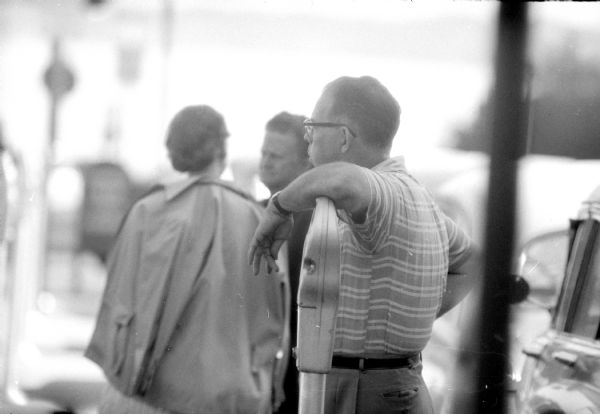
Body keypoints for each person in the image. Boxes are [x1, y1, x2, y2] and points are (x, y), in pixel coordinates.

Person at [249, 76, 476, 414]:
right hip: (389, 382)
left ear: (343, 137)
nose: (308, 141)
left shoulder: (383, 193)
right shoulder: (413, 198)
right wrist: (412, 313)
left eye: (313, 128)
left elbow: (343, 178)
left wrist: (279, 206)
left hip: (364, 389)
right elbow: (471, 264)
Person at [86, 105, 289, 414]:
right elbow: (274, 319)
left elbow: (116, 304)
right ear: (221, 149)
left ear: (173, 151)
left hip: (142, 392)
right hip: (227, 397)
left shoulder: (146, 211)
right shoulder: (256, 218)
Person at [258, 112, 313, 414]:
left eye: (276, 155)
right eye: (263, 153)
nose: (265, 162)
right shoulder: (250, 213)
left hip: (299, 387)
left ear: (306, 164)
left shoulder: (319, 224)